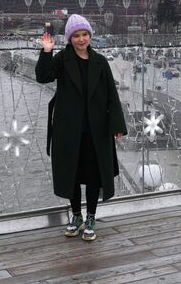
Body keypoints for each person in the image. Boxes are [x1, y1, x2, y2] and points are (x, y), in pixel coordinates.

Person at [35, 14, 127, 241]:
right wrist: (47, 52)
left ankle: (91, 217)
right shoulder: (62, 60)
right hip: (68, 130)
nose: (81, 39)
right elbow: (42, 76)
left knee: (94, 176)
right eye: (76, 35)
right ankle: (76, 215)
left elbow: (111, 96)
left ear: (90, 36)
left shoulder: (100, 62)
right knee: (72, 175)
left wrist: (117, 125)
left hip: (96, 130)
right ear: (69, 38)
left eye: (84, 34)